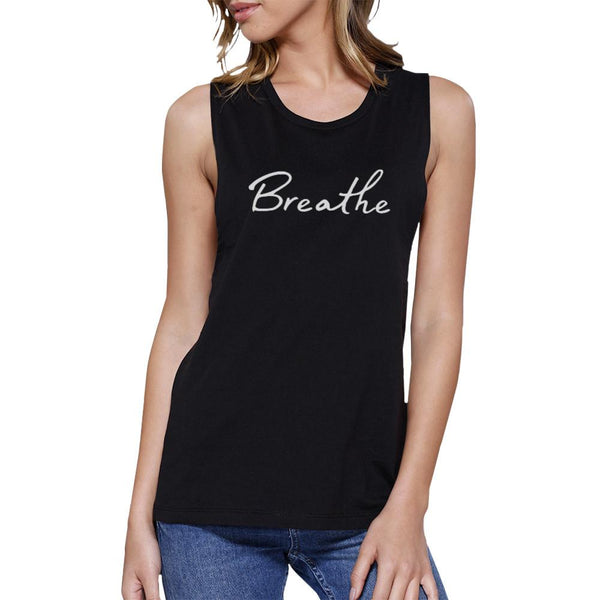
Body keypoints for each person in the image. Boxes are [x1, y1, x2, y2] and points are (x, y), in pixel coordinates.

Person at [121, 0, 475, 598]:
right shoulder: (199, 121)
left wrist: (410, 503)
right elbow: (182, 321)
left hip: (366, 502)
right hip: (209, 506)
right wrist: (138, 513)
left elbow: (437, 320)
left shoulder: (438, 113)